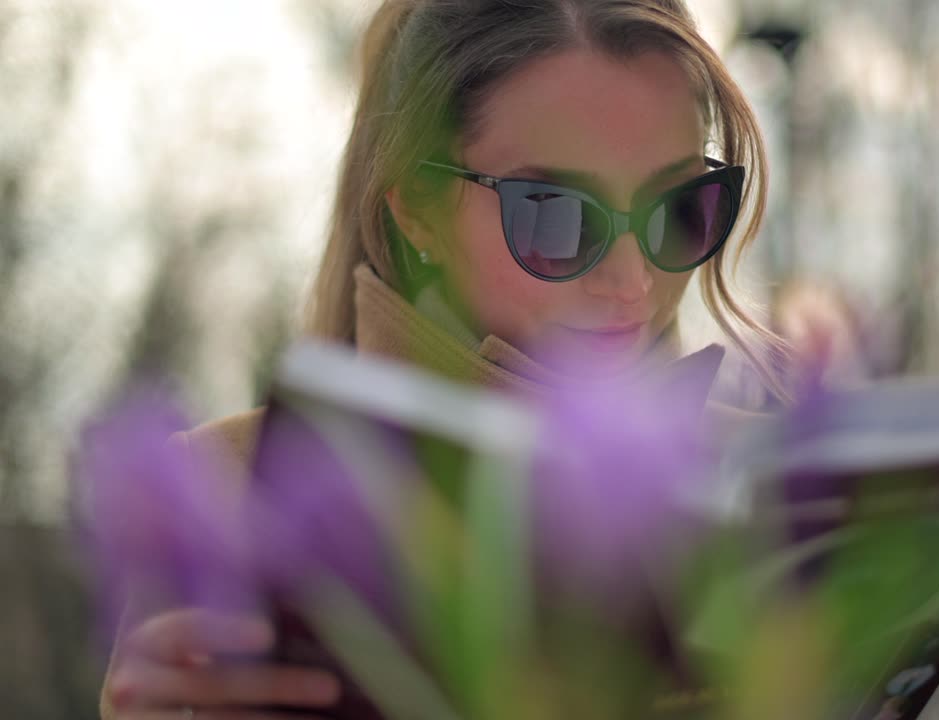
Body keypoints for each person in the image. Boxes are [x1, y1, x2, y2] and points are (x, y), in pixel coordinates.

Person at [98, 1, 800, 717]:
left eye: (680, 207)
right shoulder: (228, 493)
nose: (631, 279)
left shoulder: (777, 492)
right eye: (554, 212)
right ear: (417, 209)